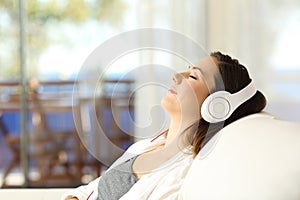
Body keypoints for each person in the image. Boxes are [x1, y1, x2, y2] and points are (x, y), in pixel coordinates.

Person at [62, 51, 266, 200]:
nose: (176, 75)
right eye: (187, 69)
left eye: (193, 76)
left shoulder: (185, 174)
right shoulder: (147, 145)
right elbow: (93, 188)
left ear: (217, 106)